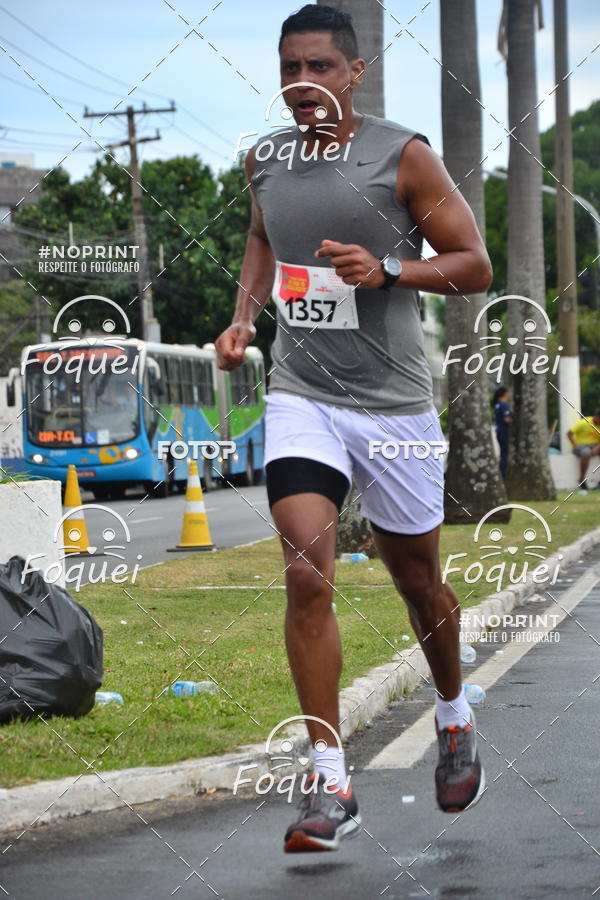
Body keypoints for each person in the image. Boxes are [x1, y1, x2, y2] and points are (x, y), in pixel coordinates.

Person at [215, 4, 493, 853]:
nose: (304, 85)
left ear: (355, 72)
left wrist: (390, 270)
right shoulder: (266, 160)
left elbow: (474, 264)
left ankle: (452, 713)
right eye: (290, 69)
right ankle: (330, 785)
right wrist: (243, 319)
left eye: (321, 69)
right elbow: (263, 242)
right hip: (304, 392)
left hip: (396, 404)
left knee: (418, 581)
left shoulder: (401, 155)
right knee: (307, 571)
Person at [567, 410, 600, 489]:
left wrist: (597, 447)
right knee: (586, 452)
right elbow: (569, 433)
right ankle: (582, 479)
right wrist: (574, 445)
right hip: (581, 446)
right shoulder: (584, 422)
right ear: (596, 417)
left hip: (596, 445)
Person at [492, 386, 511, 480]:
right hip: (504, 431)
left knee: (503, 453)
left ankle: (501, 472)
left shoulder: (497, 404)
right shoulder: (503, 405)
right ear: (504, 394)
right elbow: (506, 419)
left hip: (499, 431)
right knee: (505, 454)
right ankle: (503, 474)